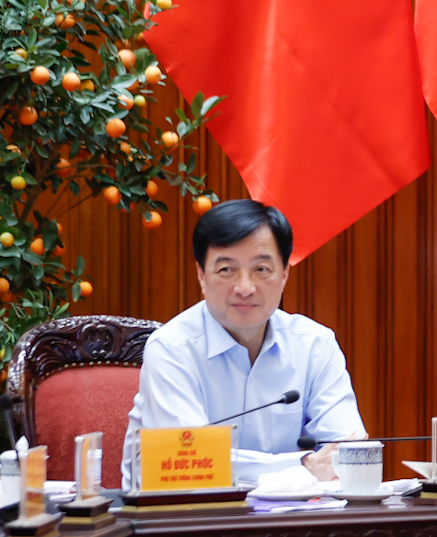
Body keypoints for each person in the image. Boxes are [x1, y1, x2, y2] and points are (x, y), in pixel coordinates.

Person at [120, 199, 365, 490]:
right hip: (189, 514)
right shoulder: (172, 349)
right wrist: (303, 468)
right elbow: (191, 467)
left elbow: (347, 453)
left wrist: (315, 468)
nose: (245, 288)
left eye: (261, 269)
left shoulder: (315, 345)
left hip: (297, 515)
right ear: (201, 275)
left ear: (284, 274)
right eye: (227, 270)